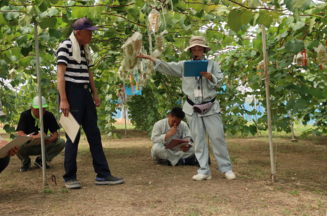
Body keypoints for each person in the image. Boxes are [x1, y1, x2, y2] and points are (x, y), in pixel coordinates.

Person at [137, 36, 236, 181]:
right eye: (194, 49)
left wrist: (210, 77)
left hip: (210, 106)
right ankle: (204, 170)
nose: (196, 51)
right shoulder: (184, 65)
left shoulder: (212, 64)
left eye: (199, 48)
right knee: (198, 138)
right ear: (190, 51)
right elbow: (167, 66)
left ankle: (226, 168)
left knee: (217, 137)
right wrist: (149, 58)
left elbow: (220, 81)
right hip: (192, 107)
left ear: (204, 50)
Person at [57, 17, 123, 189]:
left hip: (84, 93)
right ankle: (69, 177)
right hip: (70, 94)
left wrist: (94, 93)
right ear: (78, 33)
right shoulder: (65, 46)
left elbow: (88, 73)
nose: (92, 35)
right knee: (73, 136)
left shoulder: (84, 49)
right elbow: (60, 75)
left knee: (94, 134)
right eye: (89, 32)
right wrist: (63, 99)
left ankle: (103, 174)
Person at [16, 96, 66, 172]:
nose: (41, 112)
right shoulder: (25, 115)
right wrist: (34, 137)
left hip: (43, 145)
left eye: (43, 110)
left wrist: (49, 140)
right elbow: (20, 134)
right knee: (16, 144)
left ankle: (41, 160)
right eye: (37, 110)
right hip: (28, 146)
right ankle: (26, 162)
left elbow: (56, 135)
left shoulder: (49, 115)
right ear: (31, 108)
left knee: (61, 142)